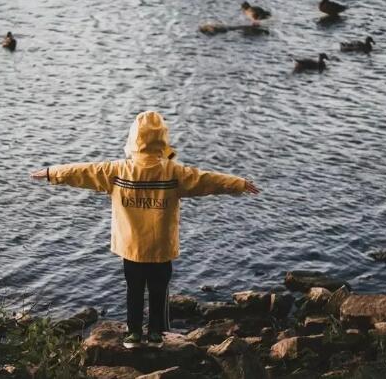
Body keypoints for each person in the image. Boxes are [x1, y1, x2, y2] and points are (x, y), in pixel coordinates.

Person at [30, 111, 260, 348]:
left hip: (132, 248)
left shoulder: (118, 170)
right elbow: (207, 180)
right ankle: (156, 334)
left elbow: (83, 171)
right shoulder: (174, 172)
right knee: (159, 292)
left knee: (134, 291)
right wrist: (238, 183)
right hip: (161, 248)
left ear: (133, 138)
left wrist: (51, 173)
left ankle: (134, 334)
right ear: (162, 139)